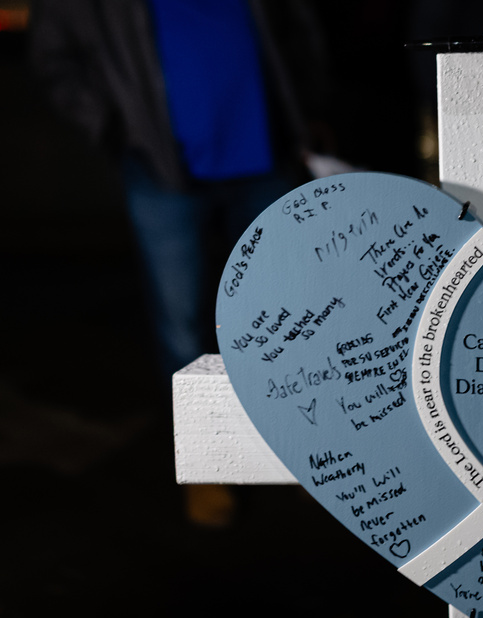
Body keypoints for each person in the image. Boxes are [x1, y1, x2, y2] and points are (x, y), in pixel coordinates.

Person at [30, 0, 332, 524]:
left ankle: (308, 455)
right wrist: (111, 125)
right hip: (160, 167)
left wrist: (307, 110)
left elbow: (300, 28)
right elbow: (53, 53)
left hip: (268, 156)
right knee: (182, 323)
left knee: (291, 318)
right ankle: (208, 463)